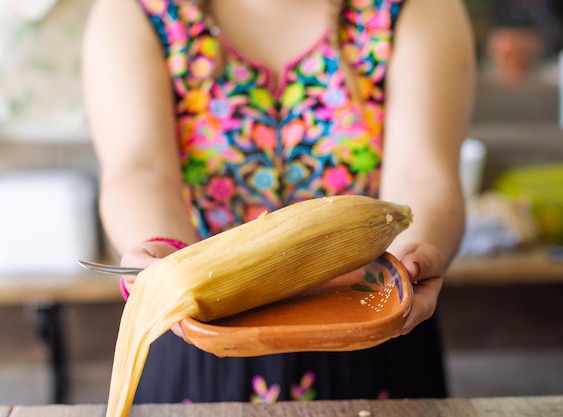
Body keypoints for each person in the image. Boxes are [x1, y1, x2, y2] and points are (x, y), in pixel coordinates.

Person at [81, 0, 475, 403]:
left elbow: (424, 173)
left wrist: (404, 266)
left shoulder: (414, 7)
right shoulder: (137, 10)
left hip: (373, 324)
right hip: (198, 337)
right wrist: (166, 257)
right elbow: (140, 168)